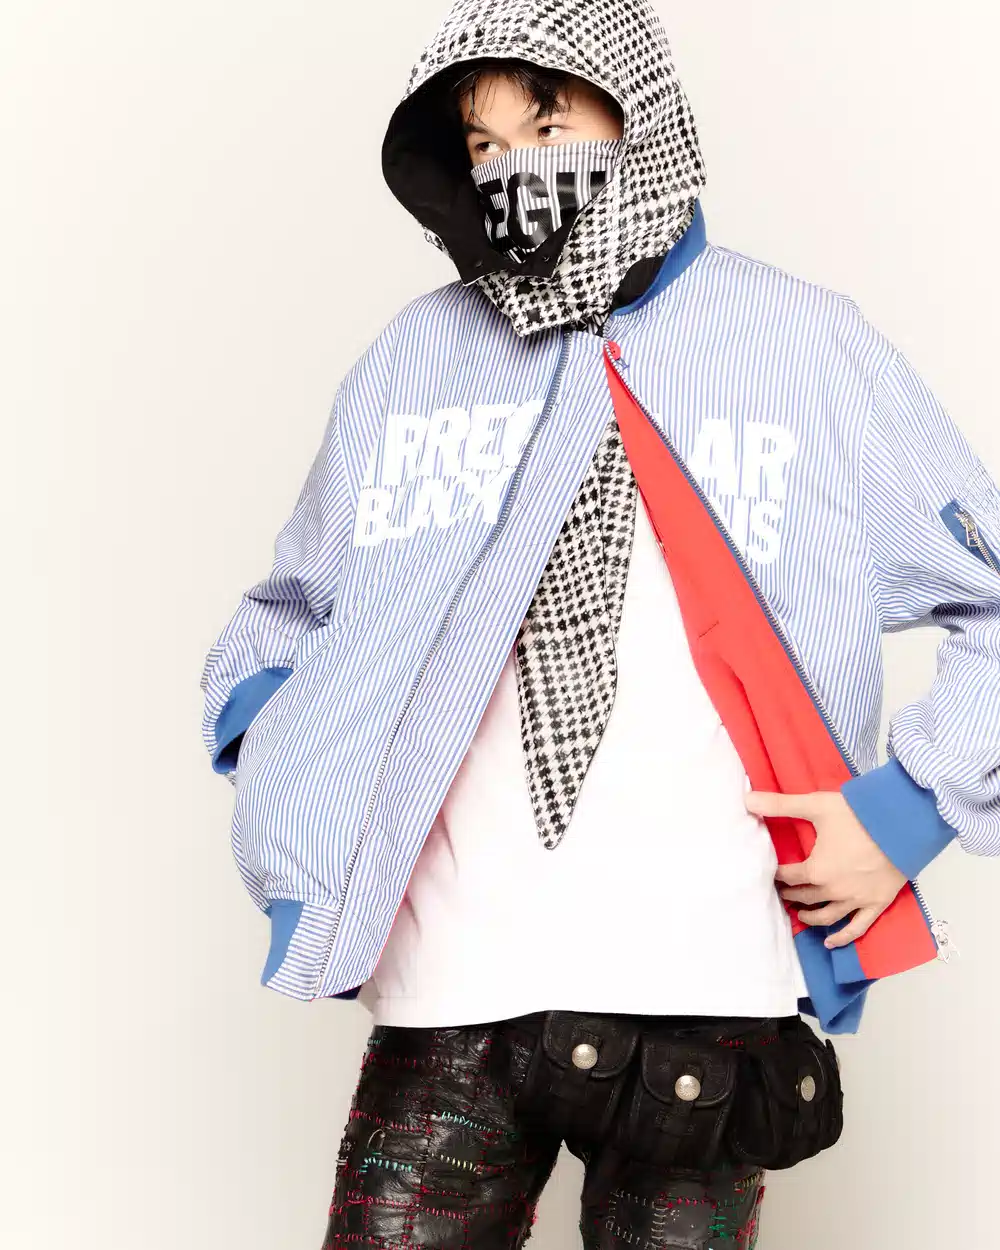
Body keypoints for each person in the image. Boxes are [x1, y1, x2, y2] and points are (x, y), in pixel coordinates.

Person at [198, 1, 1000, 1246]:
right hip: (450, 976)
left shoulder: (804, 347)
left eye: (548, 121)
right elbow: (289, 615)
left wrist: (906, 809)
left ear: (636, 108)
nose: (515, 168)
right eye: (481, 143)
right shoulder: (417, 359)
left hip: (708, 981)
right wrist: (303, 772)